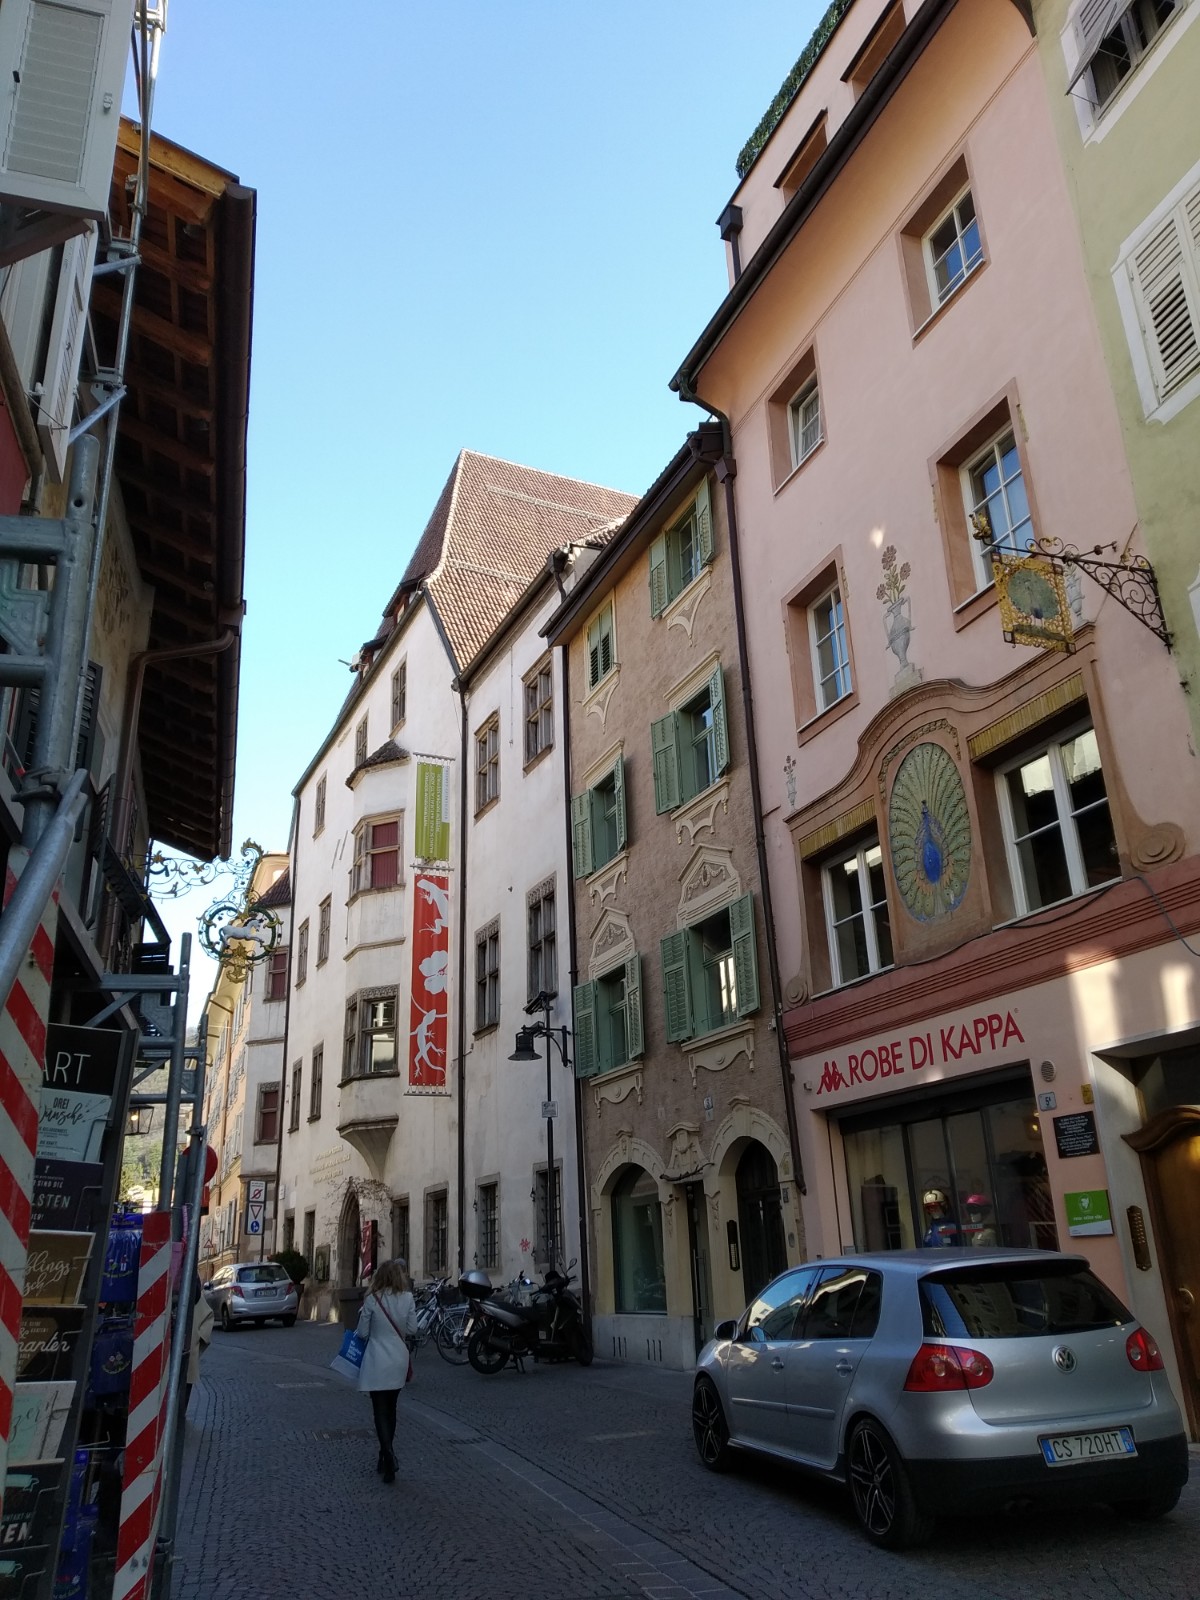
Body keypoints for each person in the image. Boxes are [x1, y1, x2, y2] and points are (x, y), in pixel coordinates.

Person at [355, 1257, 418, 1484]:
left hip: (376, 1359)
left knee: (379, 1410)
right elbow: (412, 1328)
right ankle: (385, 1455)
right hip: (398, 1359)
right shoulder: (408, 1298)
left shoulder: (372, 1299)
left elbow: (362, 1333)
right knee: (391, 1409)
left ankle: (388, 1453)